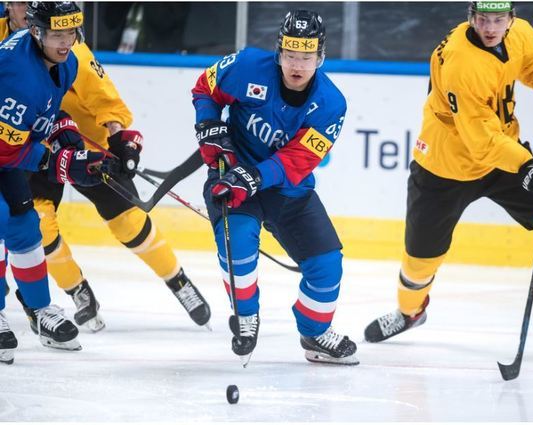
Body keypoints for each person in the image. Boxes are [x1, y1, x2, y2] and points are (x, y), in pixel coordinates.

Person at [364, 1, 533, 354]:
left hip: (501, 157)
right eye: (483, 19)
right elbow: (480, 141)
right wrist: (528, 166)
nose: (490, 27)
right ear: (471, 17)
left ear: (511, 19)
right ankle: (408, 312)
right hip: (444, 166)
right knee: (420, 261)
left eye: (499, 19)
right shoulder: (460, 62)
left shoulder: (521, 32)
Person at [1, 2, 211, 332]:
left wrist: (118, 138)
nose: (28, 8)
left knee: (128, 222)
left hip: (81, 143)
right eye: (23, 2)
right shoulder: (12, 52)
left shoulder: (72, 53)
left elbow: (105, 100)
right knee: (37, 226)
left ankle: (178, 280)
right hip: (27, 147)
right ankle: (78, 291)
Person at [191, 10, 358, 366]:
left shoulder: (331, 104)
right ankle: (246, 315)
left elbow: (297, 161)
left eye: (307, 56)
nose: (298, 65)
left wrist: (256, 177)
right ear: (279, 52)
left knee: (328, 265)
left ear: (320, 57)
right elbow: (206, 87)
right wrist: (208, 124)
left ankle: (314, 332)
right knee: (237, 245)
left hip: (288, 190)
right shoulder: (249, 65)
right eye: (291, 54)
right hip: (232, 175)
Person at [0, 1, 110, 363]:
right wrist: (57, 162)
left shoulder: (66, 63)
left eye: (71, 33)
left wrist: (65, 133)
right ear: (37, 33)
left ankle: (41, 310)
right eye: (57, 34)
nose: (66, 42)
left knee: (24, 226)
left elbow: (47, 109)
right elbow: (6, 150)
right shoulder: (16, 73)